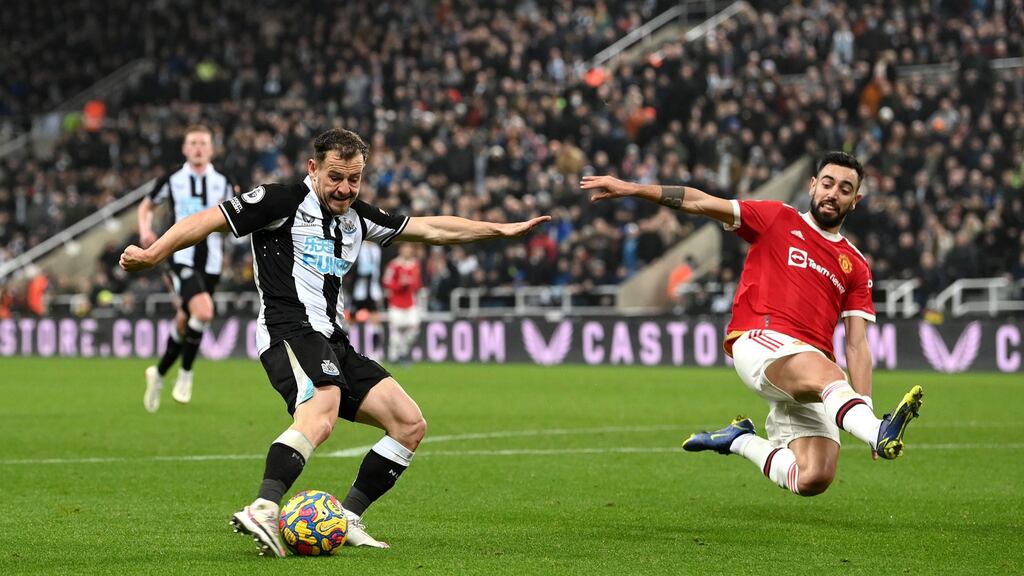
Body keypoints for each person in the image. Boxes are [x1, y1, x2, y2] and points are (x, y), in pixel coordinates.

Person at [121, 128, 549, 555]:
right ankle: (265, 507)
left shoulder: (358, 217)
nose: (345, 189)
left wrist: (500, 230)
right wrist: (153, 253)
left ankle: (345, 520)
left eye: (354, 179)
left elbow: (434, 228)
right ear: (314, 168)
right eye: (335, 177)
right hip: (287, 329)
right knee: (322, 410)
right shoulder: (280, 201)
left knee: (409, 423)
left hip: (333, 339)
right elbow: (206, 220)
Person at [580, 151, 924, 497]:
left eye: (845, 189)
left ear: (855, 201)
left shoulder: (856, 264)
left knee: (813, 477)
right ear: (812, 186)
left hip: (808, 371)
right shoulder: (777, 218)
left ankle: (740, 439)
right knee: (832, 375)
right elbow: (700, 202)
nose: (834, 193)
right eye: (828, 184)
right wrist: (632, 188)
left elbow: (857, 344)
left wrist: (862, 412)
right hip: (762, 342)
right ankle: (880, 430)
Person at [136, 125, 237, 412]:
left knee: (185, 320)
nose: (198, 148)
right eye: (192, 143)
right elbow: (146, 206)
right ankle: (186, 375)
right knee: (203, 311)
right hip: (180, 258)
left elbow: (238, 220)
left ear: (212, 149)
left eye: (203, 143)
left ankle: (158, 373)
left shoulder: (225, 181)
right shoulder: (173, 178)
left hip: (212, 262)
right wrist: (145, 231)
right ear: (184, 148)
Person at [383, 243, 423, 364]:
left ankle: (403, 351)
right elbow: (386, 281)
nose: (408, 251)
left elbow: (418, 283)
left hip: (410, 302)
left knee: (414, 328)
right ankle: (393, 357)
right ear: (400, 250)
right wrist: (400, 285)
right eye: (405, 248)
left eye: (410, 249)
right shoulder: (394, 265)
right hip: (396, 302)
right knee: (395, 331)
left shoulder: (415, 264)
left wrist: (411, 284)